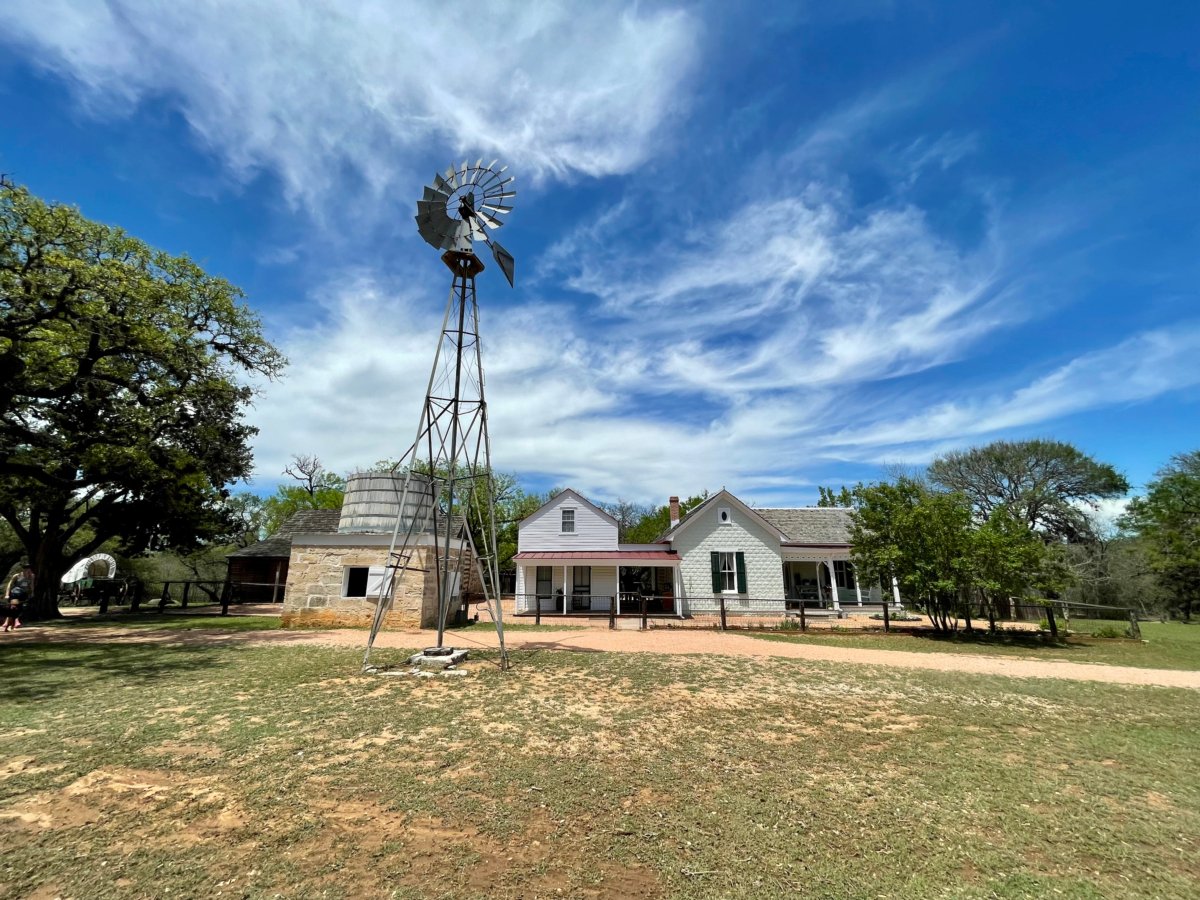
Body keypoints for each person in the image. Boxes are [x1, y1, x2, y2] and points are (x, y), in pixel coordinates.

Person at [4, 563, 34, 631]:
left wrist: (32, 593)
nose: (28, 571)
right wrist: (7, 594)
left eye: (29, 569)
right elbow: (10, 584)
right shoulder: (17, 576)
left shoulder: (31, 576)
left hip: (23, 595)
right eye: (26, 569)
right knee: (13, 608)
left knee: (18, 609)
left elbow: (31, 586)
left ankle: (10, 624)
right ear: (24, 569)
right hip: (15, 593)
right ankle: (11, 624)